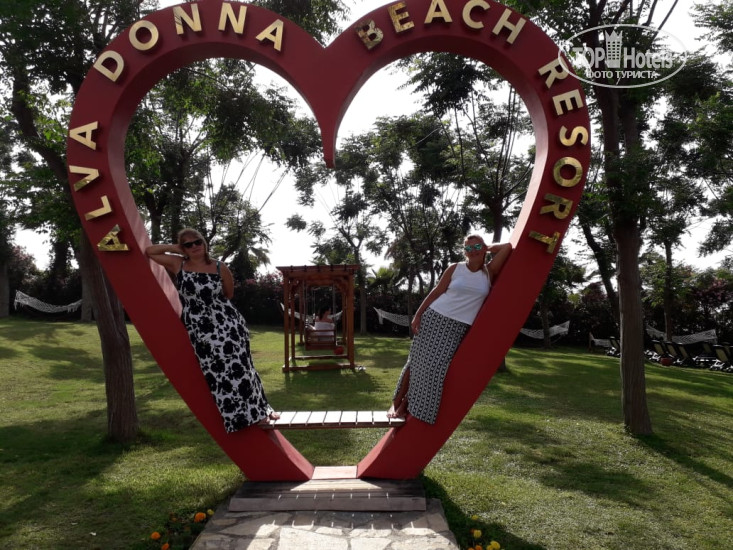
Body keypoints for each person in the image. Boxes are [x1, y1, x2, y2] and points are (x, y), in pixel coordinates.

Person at [146, 228, 279, 432]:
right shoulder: (178, 264)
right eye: (188, 244)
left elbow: (228, 294)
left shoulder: (219, 267)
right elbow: (150, 251)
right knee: (218, 371)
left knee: (241, 366)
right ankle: (237, 417)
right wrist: (176, 248)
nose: (194, 246)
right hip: (200, 328)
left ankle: (259, 411)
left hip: (228, 324)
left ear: (204, 242)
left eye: (197, 241)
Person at [387, 235, 512, 424]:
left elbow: (507, 247)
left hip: (458, 328)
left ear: (484, 247)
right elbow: (436, 292)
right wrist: (418, 315)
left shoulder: (489, 272)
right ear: (464, 252)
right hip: (435, 318)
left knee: (434, 369)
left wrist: (486, 247)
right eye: (468, 248)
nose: (473, 251)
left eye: (477, 247)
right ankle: (396, 404)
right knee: (416, 362)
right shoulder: (455, 268)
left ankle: (408, 404)